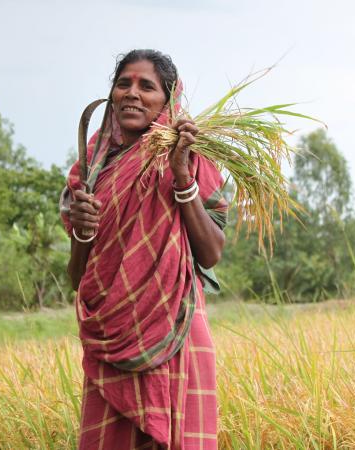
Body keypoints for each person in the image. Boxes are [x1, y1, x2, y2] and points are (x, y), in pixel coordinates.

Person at [60, 49, 228, 449]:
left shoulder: (192, 158)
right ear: (112, 95)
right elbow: (77, 277)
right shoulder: (91, 169)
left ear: (167, 101)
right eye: (124, 84)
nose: (132, 94)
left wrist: (182, 175)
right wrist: (83, 232)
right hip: (110, 335)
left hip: (174, 327)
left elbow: (211, 253)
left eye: (146, 86)